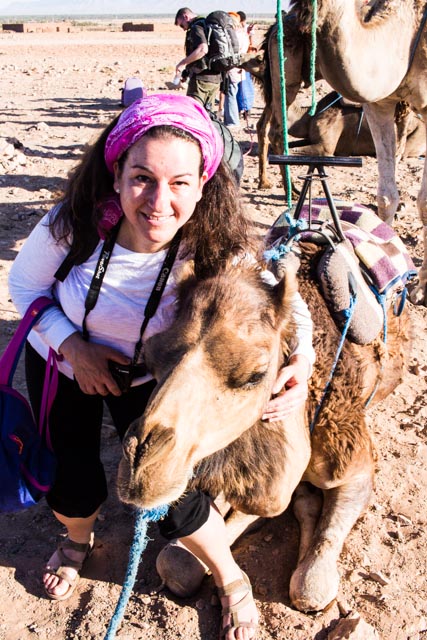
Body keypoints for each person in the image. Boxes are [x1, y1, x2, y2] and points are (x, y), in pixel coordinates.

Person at [8, 93, 314, 640]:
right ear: (117, 174)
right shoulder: (74, 225)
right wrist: (73, 347)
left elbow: (284, 305)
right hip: (64, 363)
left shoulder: (216, 247)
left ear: (203, 185)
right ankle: (76, 541)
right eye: (142, 178)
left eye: (179, 183)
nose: (158, 201)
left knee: (175, 493)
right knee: (70, 472)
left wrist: (304, 360)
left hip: (156, 377)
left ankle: (229, 574)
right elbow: (25, 286)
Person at [174, 7, 221, 110]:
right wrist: (187, 72)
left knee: (193, 112)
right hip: (215, 79)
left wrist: (182, 63)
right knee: (207, 113)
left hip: (201, 81)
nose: (184, 29)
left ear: (186, 17)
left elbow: (203, 49)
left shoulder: (197, 27)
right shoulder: (207, 25)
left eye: (182, 25)